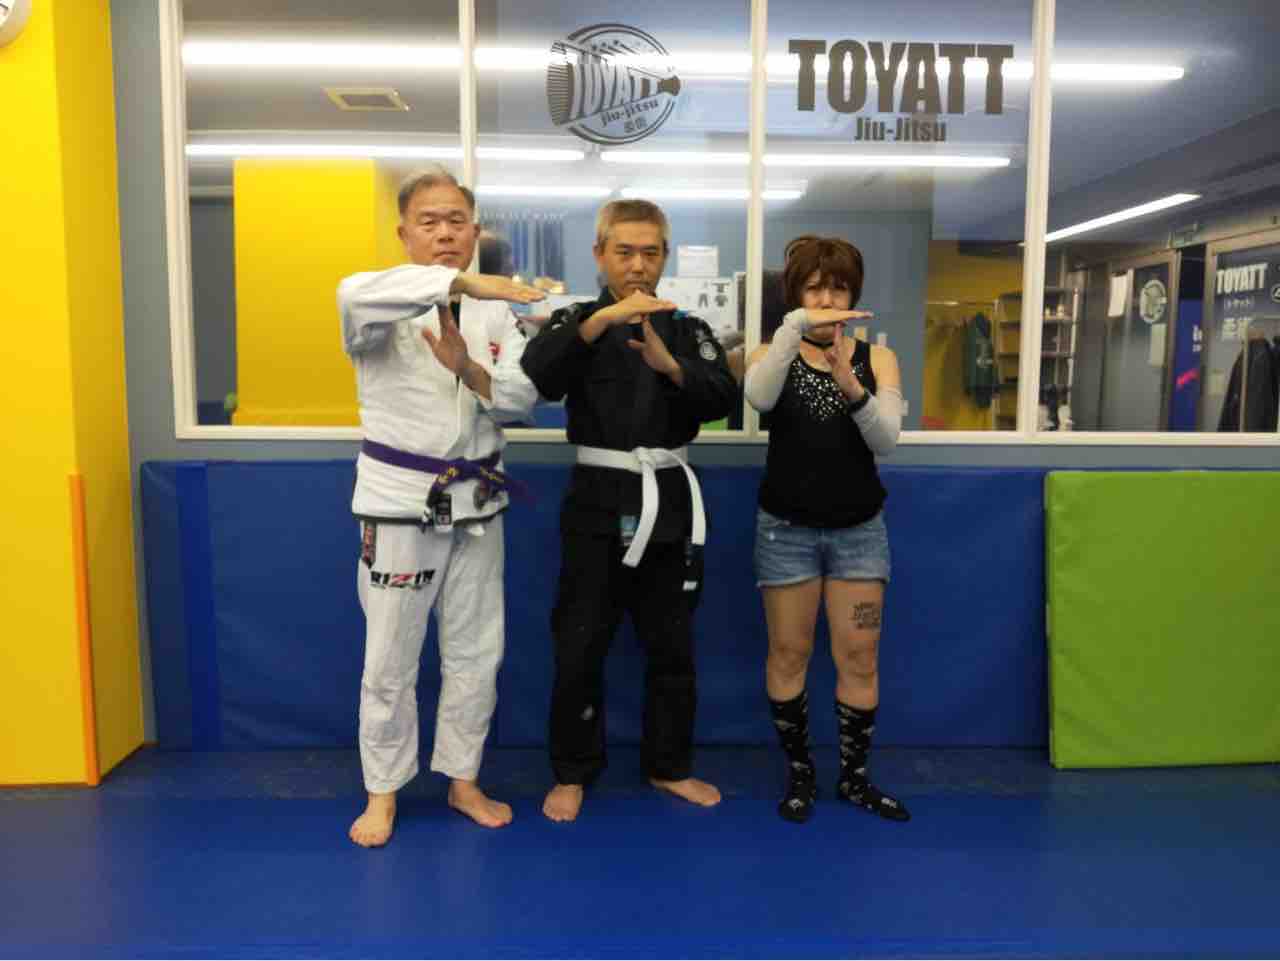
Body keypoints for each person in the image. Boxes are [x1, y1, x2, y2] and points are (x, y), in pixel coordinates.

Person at [338, 166, 544, 846]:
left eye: (457, 220)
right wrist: (463, 285)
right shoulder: (375, 301)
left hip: (478, 503)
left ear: (475, 230)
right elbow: (353, 293)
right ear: (403, 233)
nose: (445, 232)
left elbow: (519, 401)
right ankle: (382, 791)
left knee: (477, 652)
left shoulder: (499, 314)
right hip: (401, 506)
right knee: (389, 658)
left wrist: (467, 367)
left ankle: (463, 779)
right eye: (429, 221)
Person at [519, 199, 737, 823]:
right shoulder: (575, 322)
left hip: (669, 499)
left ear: (664, 257)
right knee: (580, 641)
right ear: (600, 255)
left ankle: (669, 765)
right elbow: (539, 375)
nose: (638, 265)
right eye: (624, 252)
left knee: (672, 642)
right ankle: (572, 771)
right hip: (597, 498)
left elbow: (723, 395)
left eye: (650, 253)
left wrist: (671, 368)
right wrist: (599, 323)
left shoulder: (688, 329)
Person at [742, 235, 909, 824]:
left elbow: (886, 440)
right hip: (785, 531)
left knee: (859, 656)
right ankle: (801, 775)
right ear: (795, 295)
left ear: (853, 294)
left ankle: (855, 779)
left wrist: (851, 385)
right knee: (789, 653)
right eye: (814, 288)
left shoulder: (878, 358)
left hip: (858, 531)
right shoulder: (773, 353)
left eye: (838, 288)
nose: (827, 299)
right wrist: (793, 330)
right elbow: (758, 398)